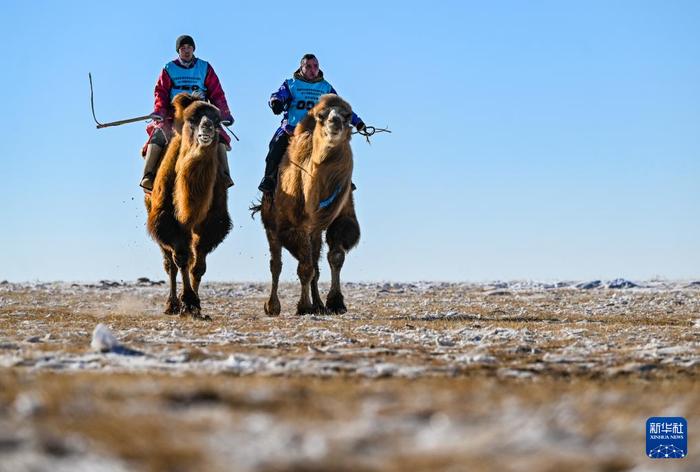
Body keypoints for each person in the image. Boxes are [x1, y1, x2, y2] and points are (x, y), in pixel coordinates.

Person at [258, 53, 365, 193]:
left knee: (338, 149)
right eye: (308, 66)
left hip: (317, 132)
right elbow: (278, 95)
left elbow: (340, 106)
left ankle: (342, 181)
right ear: (301, 67)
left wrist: (357, 122)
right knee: (275, 147)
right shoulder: (291, 84)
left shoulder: (325, 88)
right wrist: (276, 102)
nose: (312, 69)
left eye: (315, 66)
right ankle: (269, 178)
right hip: (292, 130)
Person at [140, 35, 235, 191]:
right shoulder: (169, 68)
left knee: (218, 136)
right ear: (178, 50)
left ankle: (224, 174)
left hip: (200, 113)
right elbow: (161, 92)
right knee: (158, 135)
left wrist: (224, 113)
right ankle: (148, 175)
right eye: (182, 48)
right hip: (175, 114)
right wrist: (160, 110)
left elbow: (216, 92)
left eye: (189, 47)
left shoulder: (205, 68)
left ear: (193, 49)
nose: (186, 51)